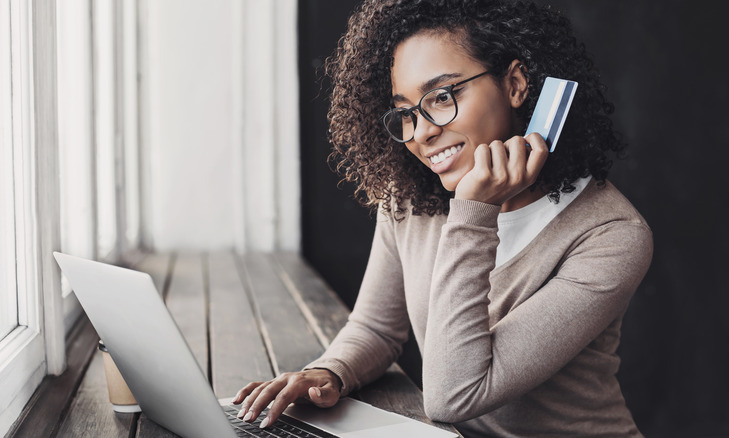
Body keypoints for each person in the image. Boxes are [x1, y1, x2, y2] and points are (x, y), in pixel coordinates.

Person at [234, 0, 653, 436]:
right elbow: (377, 328)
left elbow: (454, 396)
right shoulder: (410, 200)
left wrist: (474, 211)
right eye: (406, 112)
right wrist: (330, 372)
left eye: (442, 97)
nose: (422, 132)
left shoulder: (611, 236)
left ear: (514, 84)